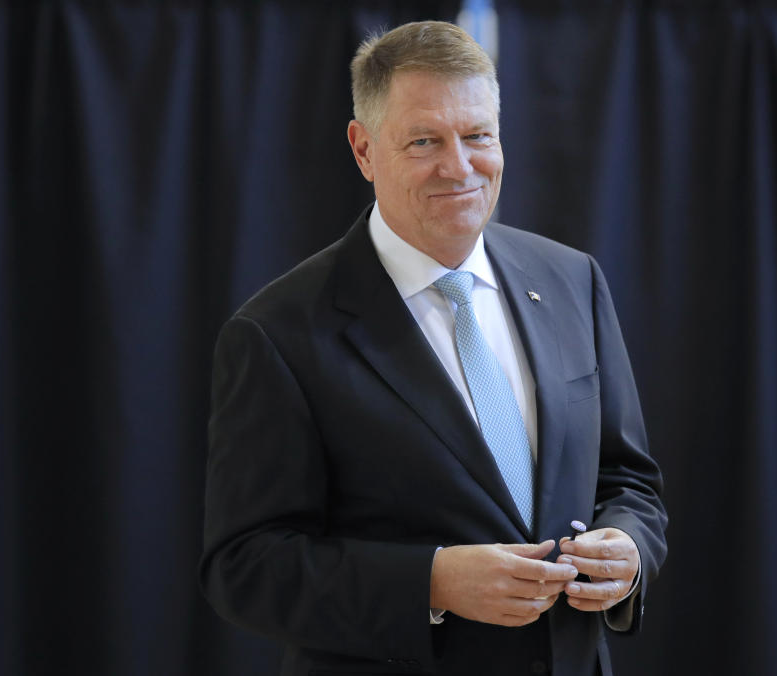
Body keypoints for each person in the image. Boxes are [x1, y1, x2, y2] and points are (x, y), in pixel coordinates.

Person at [200, 20, 667, 676]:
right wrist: (432, 583)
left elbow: (628, 479)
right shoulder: (276, 333)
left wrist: (630, 549)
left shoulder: (572, 281)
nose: (459, 166)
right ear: (364, 150)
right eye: (424, 141)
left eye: (478, 136)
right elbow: (243, 566)